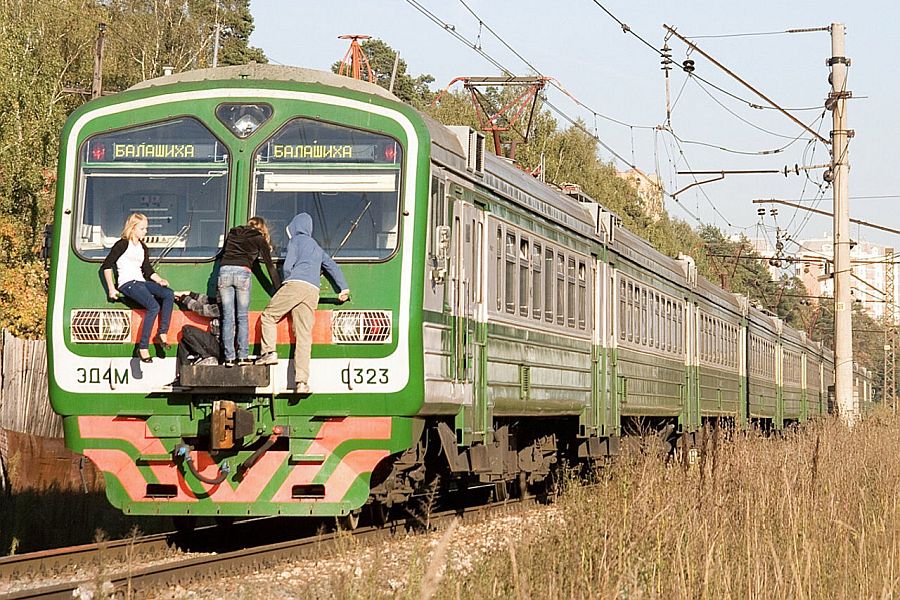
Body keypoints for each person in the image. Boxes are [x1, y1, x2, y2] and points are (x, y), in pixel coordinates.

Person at [256, 213, 349, 394]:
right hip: (312, 290)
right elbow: (332, 266)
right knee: (304, 336)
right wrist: (343, 288)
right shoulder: (317, 246)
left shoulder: (296, 241)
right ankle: (302, 382)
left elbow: (289, 265)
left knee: (268, 316)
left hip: (296, 284)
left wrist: (286, 280)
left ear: (294, 227)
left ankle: (268, 353)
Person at [101, 213, 174, 363]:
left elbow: (147, 269)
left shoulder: (143, 247)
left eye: (146, 228)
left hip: (140, 281)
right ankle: (143, 347)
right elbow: (106, 266)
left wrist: (159, 280)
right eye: (142, 228)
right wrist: (111, 289)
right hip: (127, 283)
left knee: (168, 294)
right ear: (133, 228)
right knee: (153, 306)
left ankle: (162, 333)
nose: (145, 231)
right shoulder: (122, 244)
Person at [217, 216, 282, 367]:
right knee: (242, 317)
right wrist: (278, 288)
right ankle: (242, 357)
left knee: (227, 317)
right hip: (242, 273)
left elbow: (223, 253)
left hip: (225, 271)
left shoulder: (233, 233)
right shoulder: (259, 239)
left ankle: (229, 358)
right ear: (263, 228)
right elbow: (269, 266)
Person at [173, 291, 221, 367]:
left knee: (187, 330)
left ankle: (206, 356)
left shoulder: (226, 308)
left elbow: (201, 309)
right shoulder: (225, 302)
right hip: (216, 345)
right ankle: (183, 373)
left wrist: (184, 299)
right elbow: (207, 300)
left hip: (221, 348)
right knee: (184, 341)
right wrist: (189, 294)